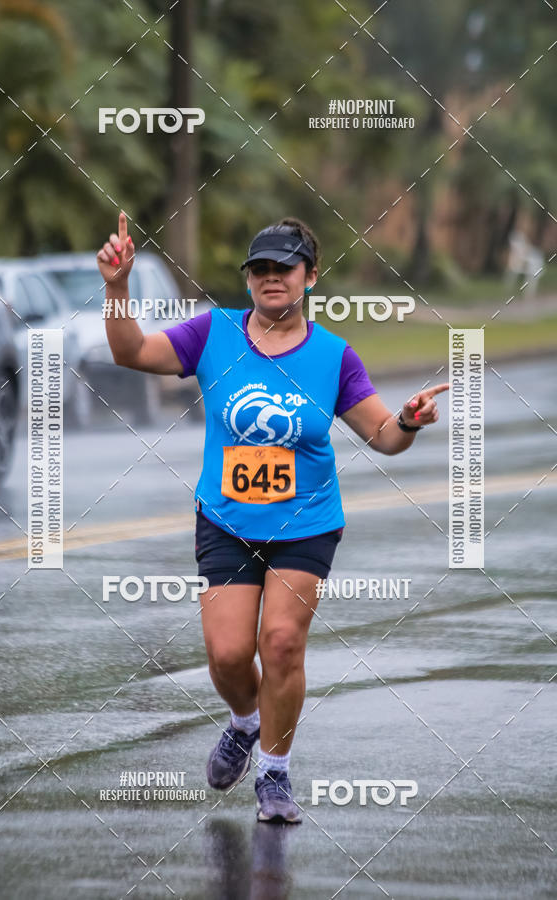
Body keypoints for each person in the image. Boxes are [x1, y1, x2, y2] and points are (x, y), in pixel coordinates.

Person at [98, 212, 448, 824]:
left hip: (306, 524)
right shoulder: (213, 334)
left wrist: (409, 421)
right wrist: (118, 286)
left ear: (310, 277)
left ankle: (275, 773)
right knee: (229, 655)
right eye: (259, 268)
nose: (271, 277)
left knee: (281, 643)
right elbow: (130, 352)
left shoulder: (334, 357)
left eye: (284, 268)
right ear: (248, 279)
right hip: (227, 522)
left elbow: (384, 437)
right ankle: (245, 722)